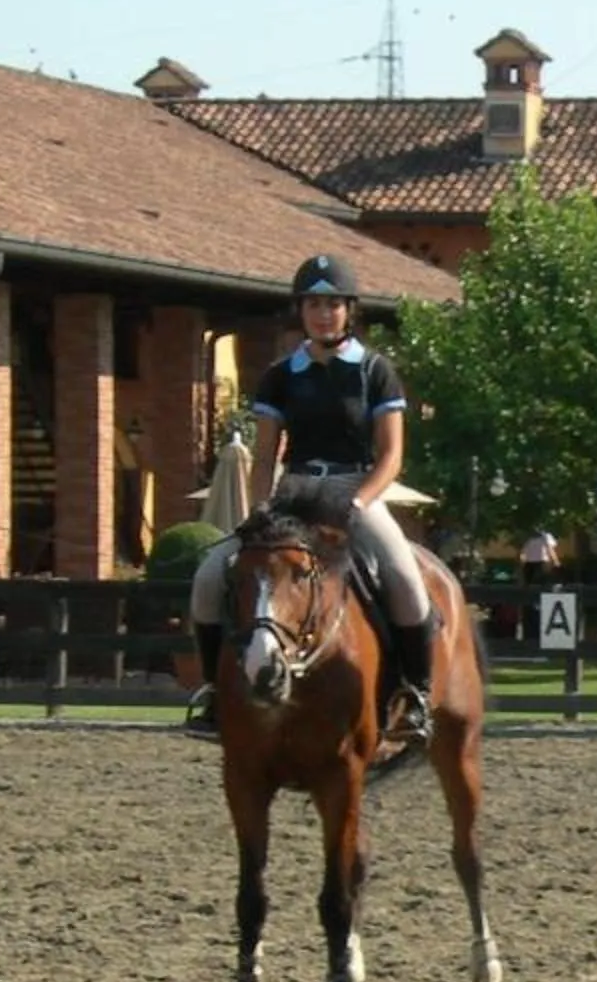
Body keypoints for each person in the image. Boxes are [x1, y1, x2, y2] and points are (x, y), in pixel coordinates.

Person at [185, 252, 435, 745]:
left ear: (349, 311)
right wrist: (259, 509)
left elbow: (391, 457)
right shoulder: (281, 375)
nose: (324, 314)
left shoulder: (375, 372)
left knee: (407, 581)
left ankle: (416, 694)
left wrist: (360, 503)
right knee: (210, 575)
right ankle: (216, 693)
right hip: (294, 490)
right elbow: (263, 457)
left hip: (355, 488)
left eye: (333, 304)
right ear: (301, 310)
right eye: (314, 304)